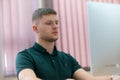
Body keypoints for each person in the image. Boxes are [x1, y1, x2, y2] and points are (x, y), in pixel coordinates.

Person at [16, 8, 120, 80]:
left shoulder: (67, 58)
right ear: (35, 28)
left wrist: (112, 78)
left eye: (57, 22)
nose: (55, 26)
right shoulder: (25, 56)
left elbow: (89, 79)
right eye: (49, 23)